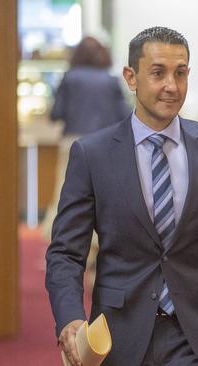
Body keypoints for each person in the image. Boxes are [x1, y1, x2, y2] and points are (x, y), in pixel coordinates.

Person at [46, 26, 198, 366]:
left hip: (197, 333)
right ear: (131, 77)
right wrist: (69, 317)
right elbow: (66, 252)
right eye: (158, 73)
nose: (171, 85)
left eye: (180, 73)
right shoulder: (92, 155)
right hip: (118, 334)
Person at [42, 36, 130, 244]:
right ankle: (99, 243)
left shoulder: (69, 78)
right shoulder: (111, 80)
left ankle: (59, 241)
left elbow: (57, 112)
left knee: (65, 192)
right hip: (106, 143)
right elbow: (124, 114)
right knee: (104, 194)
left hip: (73, 141)